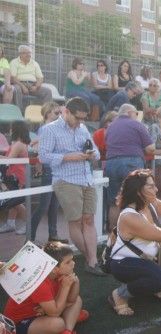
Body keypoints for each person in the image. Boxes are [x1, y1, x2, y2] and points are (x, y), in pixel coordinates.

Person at [108, 169, 161, 316]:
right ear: (138, 191)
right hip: (123, 264)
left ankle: (141, 285)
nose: (156, 189)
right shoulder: (129, 216)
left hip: (144, 260)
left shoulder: (149, 203)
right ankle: (119, 294)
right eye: (151, 186)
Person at [39, 97, 103, 276]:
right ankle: (92, 261)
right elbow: (43, 156)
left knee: (88, 220)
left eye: (83, 118)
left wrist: (91, 154)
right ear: (66, 111)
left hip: (86, 179)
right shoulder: (49, 130)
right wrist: (69, 157)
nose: (81, 122)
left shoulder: (82, 128)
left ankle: (92, 261)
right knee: (75, 221)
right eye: (78, 118)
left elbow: (96, 153)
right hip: (66, 180)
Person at [3, 242, 88, 334]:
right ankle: (68, 319)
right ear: (54, 269)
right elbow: (54, 313)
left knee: (77, 300)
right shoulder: (39, 283)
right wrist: (65, 287)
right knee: (58, 324)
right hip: (19, 323)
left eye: (72, 259)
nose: (73, 263)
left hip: (44, 312)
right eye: (68, 262)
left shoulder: (59, 275)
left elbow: (72, 300)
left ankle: (67, 331)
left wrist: (76, 281)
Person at [105, 103, 155, 230]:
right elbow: (150, 148)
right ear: (129, 112)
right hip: (132, 162)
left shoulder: (111, 126)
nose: (137, 116)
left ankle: (114, 235)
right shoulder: (137, 124)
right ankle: (136, 233)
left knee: (115, 201)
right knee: (136, 199)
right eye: (136, 113)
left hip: (111, 163)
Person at [30, 103, 67, 243]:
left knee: (54, 205)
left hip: (56, 169)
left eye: (59, 112)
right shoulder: (45, 129)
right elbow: (40, 148)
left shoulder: (52, 129)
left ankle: (53, 235)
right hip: (49, 169)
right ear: (47, 113)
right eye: (55, 112)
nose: (58, 115)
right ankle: (31, 235)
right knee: (44, 205)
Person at [0, 120, 31, 235]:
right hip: (16, 174)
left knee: (15, 202)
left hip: (17, 176)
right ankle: (10, 223)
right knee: (14, 200)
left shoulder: (18, 144)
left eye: (12, 127)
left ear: (16, 129)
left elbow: (9, 160)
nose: (10, 130)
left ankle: (29, 224)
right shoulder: (19, 143)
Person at [10, 45, 52, 109]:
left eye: (29, 53)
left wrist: (36, 86)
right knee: (17, 89)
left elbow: (40, 78)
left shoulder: (35, 63)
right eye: (25, 53)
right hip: (19, 84)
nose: (28, 54)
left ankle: (47, 113)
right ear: (20, 54)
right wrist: (22, 86)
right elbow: (13, 77)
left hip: (33, 85)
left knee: (47, 91)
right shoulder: (14, 62)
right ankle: (19, 113)